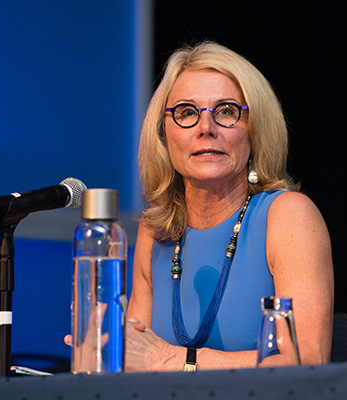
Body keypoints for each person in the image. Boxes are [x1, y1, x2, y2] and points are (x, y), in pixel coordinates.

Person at [125, 41, 334, 371]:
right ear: (164, 135)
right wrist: (102, 347)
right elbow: (134, 359)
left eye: (225, 111)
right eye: (186, 113)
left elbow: (306, 358)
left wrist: (177, 361)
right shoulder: (156, 232)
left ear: (255, 129)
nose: (205, 129)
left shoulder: (288, 216)